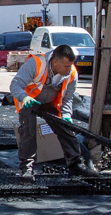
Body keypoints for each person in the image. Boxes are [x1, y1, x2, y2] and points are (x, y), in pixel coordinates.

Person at [10, 44, 100, 178]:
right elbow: (15, 84)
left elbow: (68, 98)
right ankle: (26, 169)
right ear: (55, 61)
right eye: (66, 66)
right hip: (30, 100)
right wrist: (25, 98)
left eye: (70, 65)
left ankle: (75, 164)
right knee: (28, 131)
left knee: (66, 129)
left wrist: (66, 116)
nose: (69, 69)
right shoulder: (36, 63)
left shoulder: (72, 73)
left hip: (51, 102)